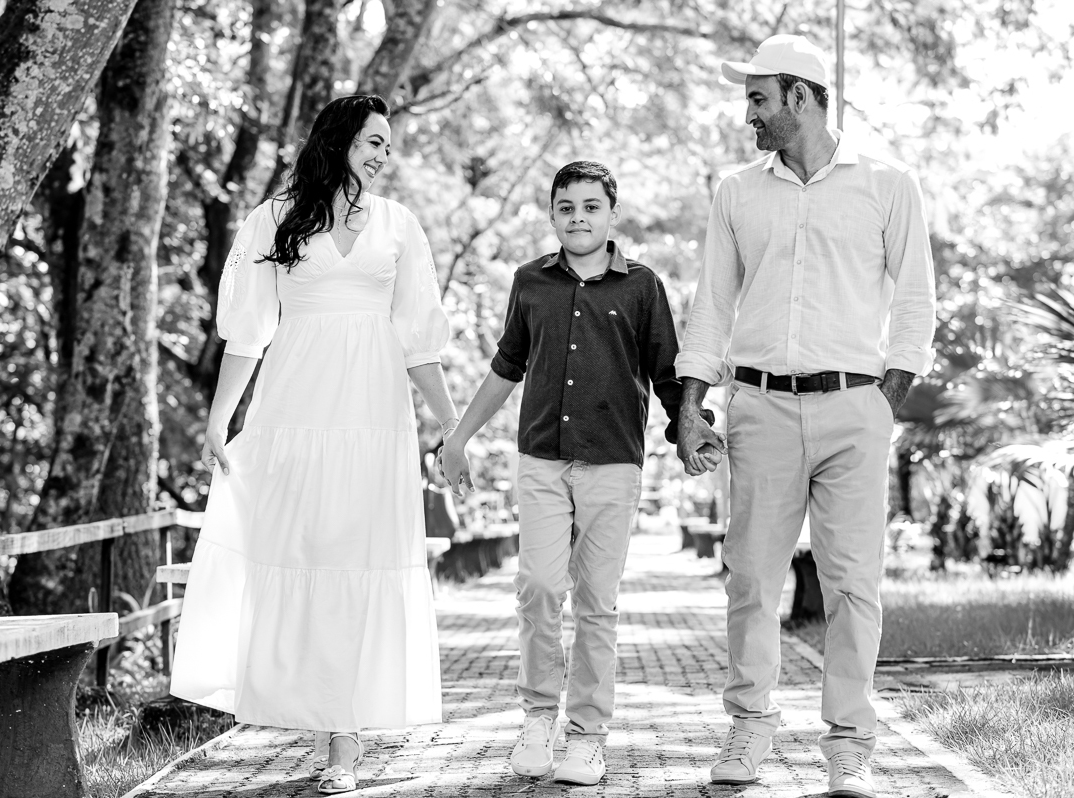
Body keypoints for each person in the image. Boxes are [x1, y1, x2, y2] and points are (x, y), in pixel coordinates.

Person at [170, 95, 458, 795]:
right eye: (373, 141)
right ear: (338, 141)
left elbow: (419, 343)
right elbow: (247, 333)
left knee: (359, 560)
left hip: (374, 417)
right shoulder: (274, 219)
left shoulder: (399, 225)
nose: (384, 155)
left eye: (388, 144)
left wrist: (453, 427)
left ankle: (343, 740)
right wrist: (219, 419)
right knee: (302, 553)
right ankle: (307, 704)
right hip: (294, 411)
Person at [674, 35, 936, 798]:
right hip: (759, 406)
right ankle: (750, 727)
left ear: (800, 96)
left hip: (856, 408)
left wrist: (884, 400)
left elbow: (916, 300)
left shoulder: (889, 184)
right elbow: (712, 304)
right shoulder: (737, 192)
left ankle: (850, 746)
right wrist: (691, 404)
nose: (747, 114)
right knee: (751, 580)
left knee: (853, 585)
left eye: (758, 99)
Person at [440, 161, 716, 786]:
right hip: (541, 458)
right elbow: (506, 367)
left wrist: (690, 430)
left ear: (612, 213)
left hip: (612, 462)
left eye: (591, 207)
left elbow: (668, 374)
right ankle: (539, 718)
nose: (579, 218)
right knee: (539, 587)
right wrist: (458, 437)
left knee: (596, 602)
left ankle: (588, 737)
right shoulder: (529, 282)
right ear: (552, 214)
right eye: (566, 207)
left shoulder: (642, 287)